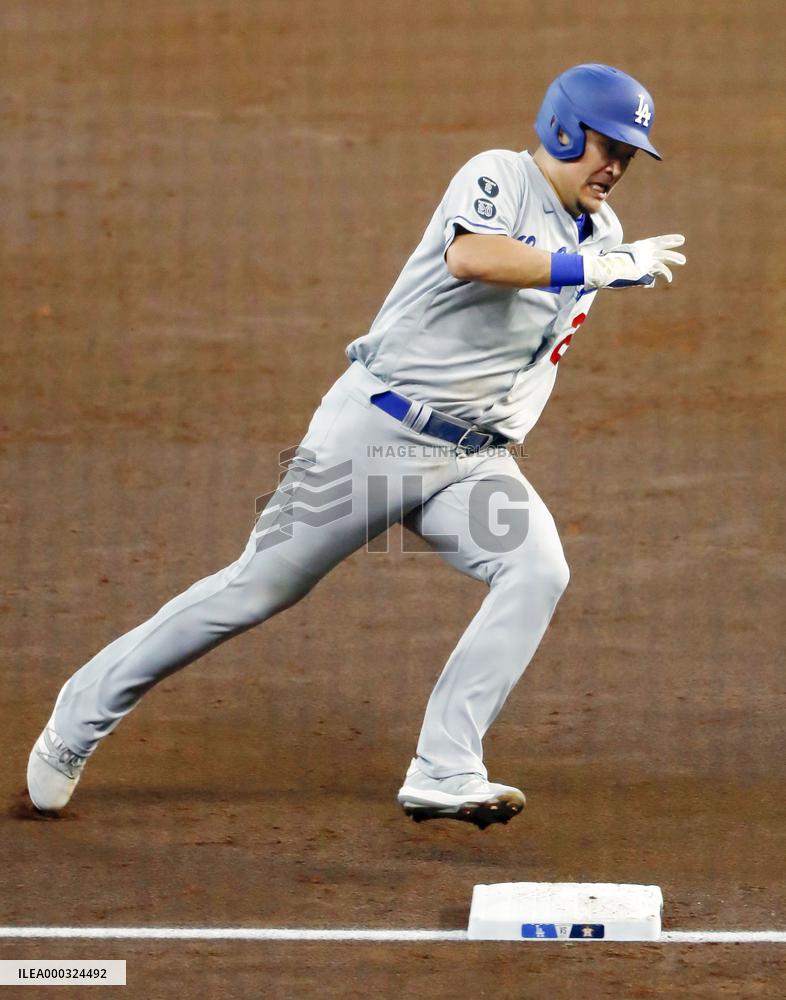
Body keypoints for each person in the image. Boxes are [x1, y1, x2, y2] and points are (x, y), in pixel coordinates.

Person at [27, 64, 685, 829]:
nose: (616, 166)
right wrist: (591, 267)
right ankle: (77, 719)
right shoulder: (498, 176)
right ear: (565, 130)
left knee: (537, 568)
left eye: (630, 155)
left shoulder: (603, 235)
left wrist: (592, 272)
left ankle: (445, 766)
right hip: (374, 437)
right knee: (255, 589)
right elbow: (473, 257)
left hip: (471, 461)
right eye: (607, 146)